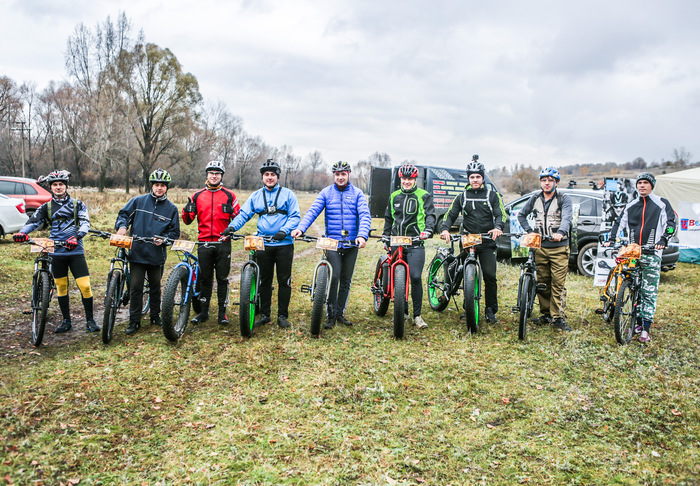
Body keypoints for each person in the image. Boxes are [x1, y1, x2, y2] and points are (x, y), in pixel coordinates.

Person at [13, 170, 99, 333]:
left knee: (85, 286)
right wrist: (22, 233)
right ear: (51, 187)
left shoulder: (77, 204)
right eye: (55, 185)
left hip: (75, 251)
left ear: (66, 186)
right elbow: (33, 221)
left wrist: (77, 236)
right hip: (56, 252)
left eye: (61, 184)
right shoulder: (46, 207)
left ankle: (90, 320)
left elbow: (85, 223)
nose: (58, 187)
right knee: (61, 287)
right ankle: (66, 321)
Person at [290, 161, 372, 329]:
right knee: (333, 278)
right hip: (332, 243)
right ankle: (330, 314)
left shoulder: (357, 194)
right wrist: (300, 228)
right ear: (334, 176)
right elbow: (313, 211)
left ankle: (340, 313)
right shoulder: (326, 193)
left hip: (351, 243)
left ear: (348, 174)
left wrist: (362, 235)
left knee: (345, 280)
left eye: (343, 174)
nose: (340, 177)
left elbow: (364, 215)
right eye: (337, 174)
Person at [223, 159, 300, 329]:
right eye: (266, 175)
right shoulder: (256, 196)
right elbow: (244, 214)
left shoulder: (288, 194)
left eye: (273, 174)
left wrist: (284, 231)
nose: (270, 177)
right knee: (264, 281)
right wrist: (232, 227)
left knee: (284, 280)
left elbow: (295, 216)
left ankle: (282, 315)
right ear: (262, 177)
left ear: (277, 177)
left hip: (284, 243)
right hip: (263, 244)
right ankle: (265, 315)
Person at [606, 172, 676, 343]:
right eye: (639, 183)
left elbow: (670, 224)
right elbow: (618, 223)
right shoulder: (631, 205)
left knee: (648, 292)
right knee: (632, 286)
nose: (642, 186)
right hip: (633, 253)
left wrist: (663, 239)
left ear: (652, 185)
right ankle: (634, 321)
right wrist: (611, 240)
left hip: (652, 253)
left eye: (645, 183)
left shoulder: (661, 203)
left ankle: (645, 327)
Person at [439, 157, 505, 323]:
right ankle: (467, 306)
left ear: (482, 178)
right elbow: (451, 214)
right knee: (462, 272)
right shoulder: (462, 196)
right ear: (468, 179)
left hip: (487, 241)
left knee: (490, 275)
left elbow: (500, 214)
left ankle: (490, 310)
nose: (475, 180)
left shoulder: (492, 195)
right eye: (472, 177)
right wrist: (445, 228)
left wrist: (498, 227)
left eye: (478, 177)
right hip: (468, 240)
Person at [115, 169, 180, 335]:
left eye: (163, 185)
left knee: (155, 287)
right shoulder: (138, 201)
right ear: (152, 186)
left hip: (156, 255)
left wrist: (164, 239)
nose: (159, 188)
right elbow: (123, 214)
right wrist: (122, 227)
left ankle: (155, 316)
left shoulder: (171, 209)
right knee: (135, 288)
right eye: (157, 185)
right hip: (137, 252)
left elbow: (174, 232)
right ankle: (134, 321)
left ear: (167, 187)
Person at [182, 160, 240, 326]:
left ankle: (222, 313)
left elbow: (239, 218)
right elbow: (187, 221)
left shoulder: (230, 196)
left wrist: (233, 218)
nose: (214, 176)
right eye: (211, 173)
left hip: (223, 242)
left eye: (217, 173)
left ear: (221, 176)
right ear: (207, 175)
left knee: (222, 278)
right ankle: (204, 312)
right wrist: (187, 210)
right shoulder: (197, 195)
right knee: (205, 279)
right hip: (204, 242)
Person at [517, 167, 573, 331]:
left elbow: (567, 218)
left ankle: (558, 317)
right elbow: (521, 215)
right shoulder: (535, 197)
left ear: (556, 182)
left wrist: (561, 232)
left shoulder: (564, 198)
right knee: (542, 282)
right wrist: (530, 231)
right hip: (540, 246)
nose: (546, 183)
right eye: (543, 180)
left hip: (559, 248)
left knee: (557, 283)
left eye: (550, 180)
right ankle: (546, 314)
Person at [382, 163, 435, 329]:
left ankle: (417, 316)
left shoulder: (424, 195)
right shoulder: (394, 196)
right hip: (397, 242)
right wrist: (386, 237)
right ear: (400, 179)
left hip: (415, 242)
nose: (406, 181)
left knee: (416, 277)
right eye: (404, 178)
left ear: (415, 179)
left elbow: (430, 216)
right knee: (399, 278)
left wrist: (427, 230)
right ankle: (402, 312)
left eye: (410, 179)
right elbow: (388, 218)